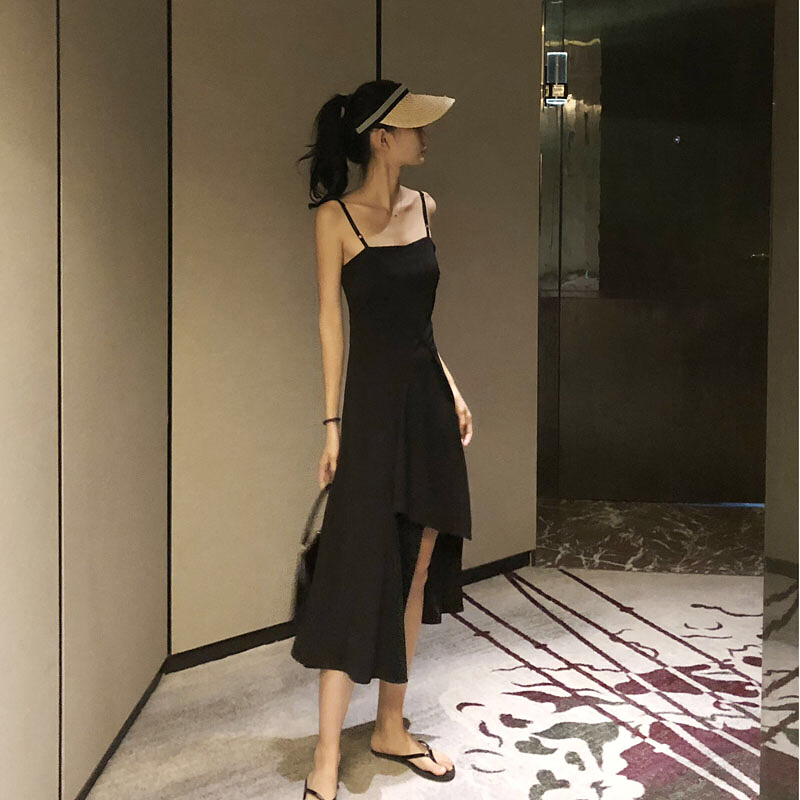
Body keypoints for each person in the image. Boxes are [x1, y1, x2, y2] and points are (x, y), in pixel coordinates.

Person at [292, 80, 474, 800]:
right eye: (413, 126)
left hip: (426, 406)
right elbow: (330, 323)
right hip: (369, 414)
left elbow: (418, 325)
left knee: (414, 570)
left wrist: (451, 387)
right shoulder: (335, 219)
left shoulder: (425, 208)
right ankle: (325, 755)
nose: (425, 136)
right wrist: (331, 424)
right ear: (380, 137)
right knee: (354, 572)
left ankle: (390, 727)